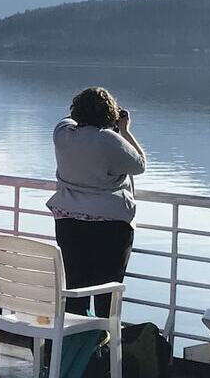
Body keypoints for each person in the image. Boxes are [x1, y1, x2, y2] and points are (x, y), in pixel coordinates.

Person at [46, 87, 146, 317]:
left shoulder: (62, 134)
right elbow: (139, 164)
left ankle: (76, 347)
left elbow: (66, 120)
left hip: (69, 221)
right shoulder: (109, 140)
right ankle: (105, 345)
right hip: (110, 226)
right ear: (108, 115)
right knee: (107, 293)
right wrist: (124, 130)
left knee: (75, 288)